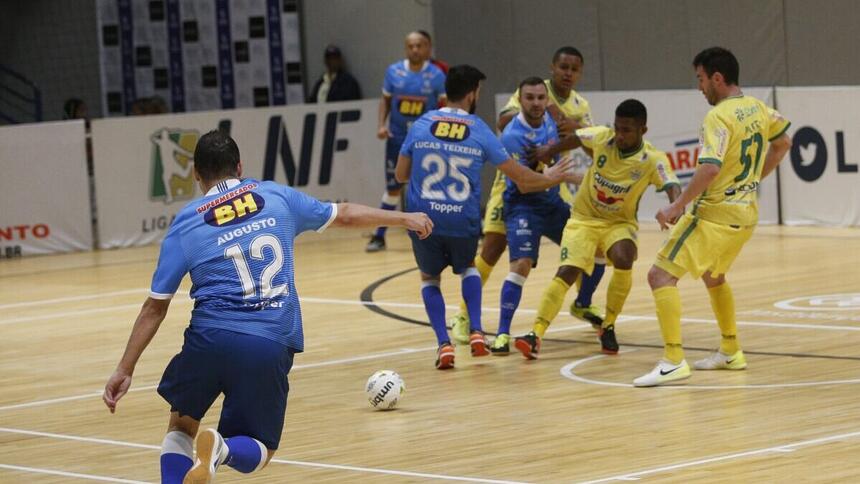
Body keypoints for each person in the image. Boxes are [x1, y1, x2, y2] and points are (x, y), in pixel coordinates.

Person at [102, 130, 432, 483]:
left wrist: (125, 367)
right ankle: (222, 450)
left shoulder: (186, 222)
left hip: (208, 338)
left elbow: (156, 307)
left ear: (196, 174)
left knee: (181, 427)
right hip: (268, 340)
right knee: (261, 447)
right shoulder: (276, 196)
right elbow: (346, 215)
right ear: (240, 166)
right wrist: (404, 219)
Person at [395, 65, 576, 369]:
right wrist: (552, 178)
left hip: (423, 218)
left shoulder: (421, 124)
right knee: (468, 268)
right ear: (471, 94)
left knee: (430, 279)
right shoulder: (479, 129)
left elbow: (401, 174)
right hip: (461, 217)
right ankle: (477, 331)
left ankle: (443, 344)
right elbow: (523, 179)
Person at [633, 47, 792, 387]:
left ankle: (673, 360)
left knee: (659, 277)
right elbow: (784, 143)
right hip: (745, 216)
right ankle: (731, 350)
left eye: (701, 79)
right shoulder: (760, 108)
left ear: (717, 78)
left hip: (715, 216)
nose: (699, 87)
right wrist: (750, 180)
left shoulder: (718, 117)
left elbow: (710, 167)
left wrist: (676, 207)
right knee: (713, 276)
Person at [448, 46, 603, 345]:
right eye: (563, 67)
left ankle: (583, 301)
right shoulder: (536, 92)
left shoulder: (581, 106)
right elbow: (504, 122)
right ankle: (464, 315)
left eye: (574, 69)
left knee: (582, 245)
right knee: (492, 249)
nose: (568, 73)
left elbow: (591, 145)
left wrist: (577, 129)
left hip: (550, 184)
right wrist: (552, 112)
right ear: (552, 68)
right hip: (511, 185)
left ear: (580, 72)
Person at [513, 99, 681, 359]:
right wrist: (550, 150)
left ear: (642, 131)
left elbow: (671, 183)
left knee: (624, 258)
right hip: (584, 218)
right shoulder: (603, 137)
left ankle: (608, 325)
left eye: (627, 130)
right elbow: (577, 138)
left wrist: (675, 206)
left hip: (619, 224)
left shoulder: (652, 159)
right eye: (617, 128)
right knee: (568, 271)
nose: (620, 135)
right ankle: (535, 334)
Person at [487, 77, 580, 354]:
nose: (536, 103)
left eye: (541, 98)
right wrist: (553, 176)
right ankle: (502, 334)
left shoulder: (551, 118)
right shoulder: (512, 136)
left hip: (551, 202)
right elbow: (525, 184)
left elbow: (573, 138)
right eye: (530, 98)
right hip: (523, 204)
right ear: (520, 99)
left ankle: (584, 303)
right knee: (522, 264)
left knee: (585, 248)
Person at [367, 31, 446, 252]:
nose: (415, 50)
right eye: (411, 46)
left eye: (420, 46)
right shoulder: (394, 72)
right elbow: (385, 101)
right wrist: (381, 125)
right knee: (393, 188)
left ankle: (436, 233)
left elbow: (444, 107)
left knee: (431, 188)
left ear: (428, 48)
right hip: (398, 139)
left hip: (425, 141)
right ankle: (379, 236)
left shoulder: (437, 75)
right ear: (406, 48)